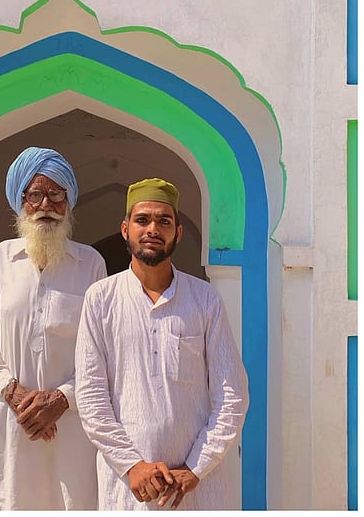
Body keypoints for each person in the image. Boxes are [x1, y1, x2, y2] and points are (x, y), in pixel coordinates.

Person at [74, 178, 248, 510]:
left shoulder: (204, 299)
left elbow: (232, 393)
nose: (153, 228)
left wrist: (196, 467)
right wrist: (132, 466)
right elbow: (91, 396)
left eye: (164, 221)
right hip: (128, 489)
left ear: (178, 233)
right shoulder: (100, 299)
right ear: (125, 229)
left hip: (198, 489)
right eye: (143, 220)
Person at [0, 146, 106, 509]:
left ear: (69, 202)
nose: (46, 204)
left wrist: (60, 400)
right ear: (20, 202)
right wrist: (14, 395)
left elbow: (102, 353)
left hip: (72, 426)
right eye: (35, 195)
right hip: (10, 422)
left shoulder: (90, 263)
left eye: (56, 194)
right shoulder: (0, 259)